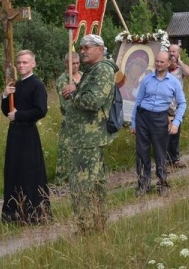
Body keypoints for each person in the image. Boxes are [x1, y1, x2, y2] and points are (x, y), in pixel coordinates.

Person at [61, 34, 118, 233]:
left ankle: (84, 227)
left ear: (100, 49)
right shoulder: (92, 70)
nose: (83, 51)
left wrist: (73, 93)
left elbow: (94, 101)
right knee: (95, 183)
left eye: (87, 48)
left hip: (89, 138)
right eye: (82, 47)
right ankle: (98, 224)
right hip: (86, 137)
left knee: (81, 184)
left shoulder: (102, 70)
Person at [1, 49, 50, 224]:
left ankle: (35, 213)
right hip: (14, 133)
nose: (21, 65)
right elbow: (7, 111)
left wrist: (19, 115)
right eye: (19, 62)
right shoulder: (16, 85)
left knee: (30, 172)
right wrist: (6, 95)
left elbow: (40, 110)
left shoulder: (37, 85)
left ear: (33, 64)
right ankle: (13, 213)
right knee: (14, 170)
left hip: (28, 134)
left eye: (25, 62)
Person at [131, 50, 187, 197]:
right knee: (142, 152)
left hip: (160, 119)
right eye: (157, 61)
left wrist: (176, 123)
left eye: (162, 62)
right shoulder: (147, 79)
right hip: (143, 117)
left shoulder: (174, 82)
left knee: (160, 152)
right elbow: (137, 101)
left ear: (169, 63)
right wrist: (133, 123)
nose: (158, 64)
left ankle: (162, 184)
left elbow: (182, 103)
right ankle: (143, 184)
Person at [54, 52, 82, 187]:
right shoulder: (63, 80)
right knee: (66, 149)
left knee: (81, 150)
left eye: (77, 63)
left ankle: (78, 176)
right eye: (73, 64)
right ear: (66, 64)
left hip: (84, 121)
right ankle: (62, 180)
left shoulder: (83, 76)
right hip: (70, 120)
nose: (75, 66)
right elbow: (67, 103)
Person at [167, 44, 189, 169]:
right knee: (164, 133)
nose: (172, 53)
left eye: (174, 51)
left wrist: (180, 62)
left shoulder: (180, 68)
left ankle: (175, 159)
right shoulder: (164, 66)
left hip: (176, 105)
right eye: (170, 51)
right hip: (164, 105)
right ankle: (165, 159)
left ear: (178, 53)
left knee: (175, 132)